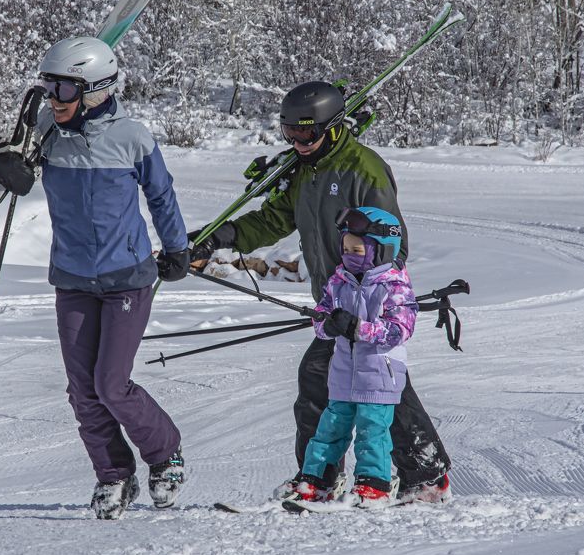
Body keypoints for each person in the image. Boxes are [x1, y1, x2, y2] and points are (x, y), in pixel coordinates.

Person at [190, 81, 452, 504]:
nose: (298, 142)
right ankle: (374, 476)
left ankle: (339, 479)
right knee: (364, 386)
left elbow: (394, 243)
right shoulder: (304, 172)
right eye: (289, 134)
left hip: (364, 304)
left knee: (353, 384)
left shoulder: (364, 169)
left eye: (306, 134)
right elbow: (274, 221)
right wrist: (220, 237)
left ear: (332, 129)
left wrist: (368, 300)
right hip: (335, 304)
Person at [0, 36, 190, 520]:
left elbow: (162, 197)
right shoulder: (45, 131)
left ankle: (164, 455)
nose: (52, 98)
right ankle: (114, 475)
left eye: (64, 89)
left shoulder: (133, 137)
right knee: (81, 390)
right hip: (71, 279)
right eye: (47, 86)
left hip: (127, 277)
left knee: (112, 385)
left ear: (95, 90)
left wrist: (178, 250)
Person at [295, 206, 417, 508]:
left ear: (380, 249)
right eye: (346, 248)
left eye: (357, 248)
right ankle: (317, 481)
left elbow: (399, 329)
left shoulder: (394, 284)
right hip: (343, 372)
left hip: (379, 373)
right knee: (330, 427)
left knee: (371, 430)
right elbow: (321, 320)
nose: (349, 254)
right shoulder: (340, 280)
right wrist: (328, 322)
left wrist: (358, 328)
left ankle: (374, 484)